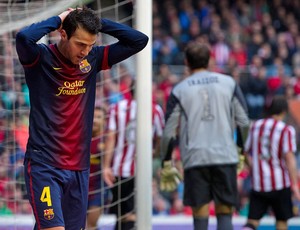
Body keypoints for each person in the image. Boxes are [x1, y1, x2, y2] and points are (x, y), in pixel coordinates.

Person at [15, 6, 148, 230]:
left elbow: (139, 41)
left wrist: (95, 22)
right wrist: (60, 18)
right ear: (62, 33)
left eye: (90, 45)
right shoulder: (40, 57)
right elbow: (23, 37)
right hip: (45, 165)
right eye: (80, 44)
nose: (85, 51)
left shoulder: (92, 59)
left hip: (78, 167)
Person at [160, 42, 249, 230]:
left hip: (195, 158)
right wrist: (240, 150)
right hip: (225, 156)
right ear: (209, 60)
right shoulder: (229, 83)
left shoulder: (179, 90)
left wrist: (166, 162)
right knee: (225, 214)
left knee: (200, 218)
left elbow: (168, 132)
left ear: (186, 62)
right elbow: (244, 122)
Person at [103, 84, 165, 230]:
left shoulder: (116, 108)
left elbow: (110, 138)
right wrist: (154, 155)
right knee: (134, 214)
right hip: (141, 171)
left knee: (121, 213)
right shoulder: (155, 110)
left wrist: (106, 166)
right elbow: (161, 140)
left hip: (119, 170)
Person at [242, 95, 300, 230]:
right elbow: (289, 158)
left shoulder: (255, 126)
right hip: (280, 183)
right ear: (284, 111)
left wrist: (253, 168)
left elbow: (245, 152)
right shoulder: (286, 130)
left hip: (258, 183)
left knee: (252, 222)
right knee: (281, 221)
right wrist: (295, 185)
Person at [87, 106, 108, 230]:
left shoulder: (107, 140)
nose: (95, 120)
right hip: (79, 186)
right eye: (93, 116)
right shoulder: (81, 137)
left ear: (105, 121)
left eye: (99, 117)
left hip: (98, 189)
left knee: (90, 225)